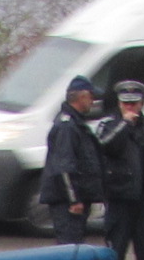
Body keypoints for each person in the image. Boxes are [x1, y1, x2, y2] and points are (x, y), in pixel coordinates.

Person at [94, 79, 144, 260]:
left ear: (142, 103)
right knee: (117, 246)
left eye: (135, 103)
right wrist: (124, 124)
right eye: (126, 103)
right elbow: (104, 146)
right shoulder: (109, 125)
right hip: (119, 195)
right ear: (120, 103)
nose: (131, 108)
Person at [36, 76, 107, 246]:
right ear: (82, 97)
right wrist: (74, 200)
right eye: (91, 97)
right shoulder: (67, 126)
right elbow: (64, 167)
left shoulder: (76, 123)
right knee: (70, 248)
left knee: (76, 246)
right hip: (67, 203)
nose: (93, 102)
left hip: (76, 198)